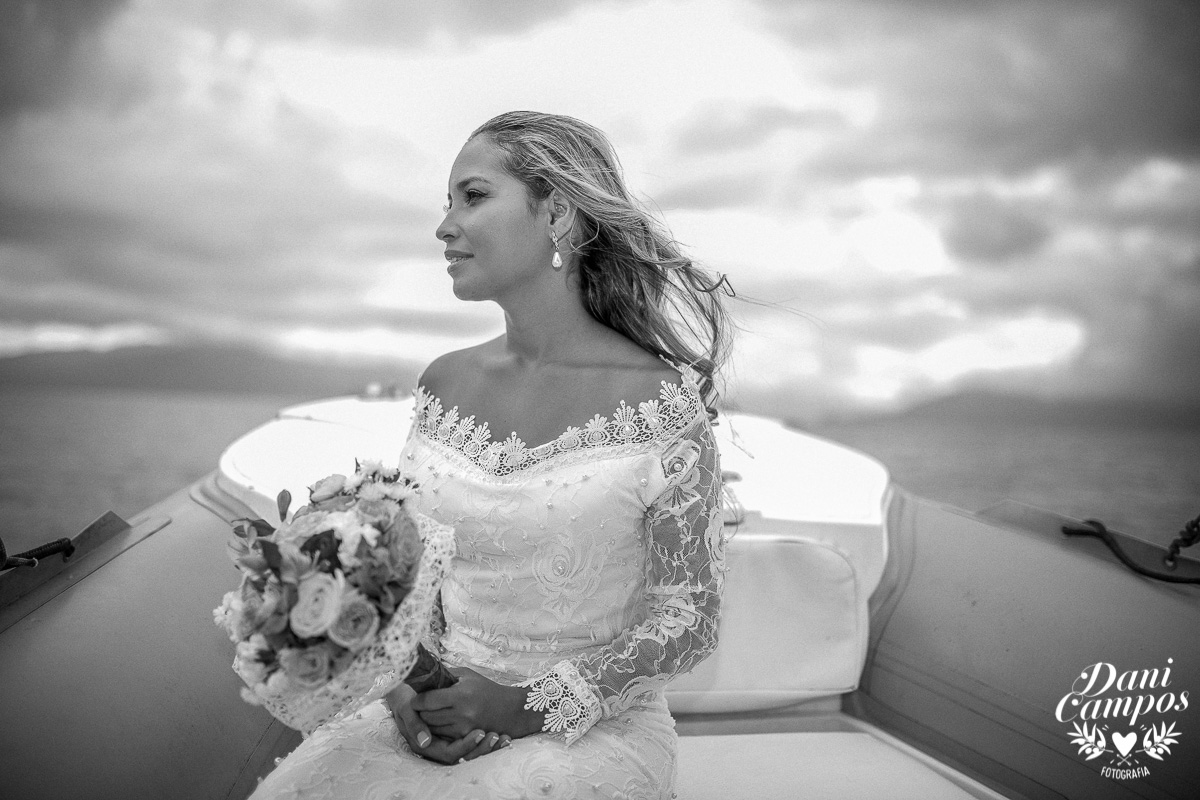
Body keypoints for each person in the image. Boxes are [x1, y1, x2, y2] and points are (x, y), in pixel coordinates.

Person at [251, 111, 733, 800]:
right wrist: (412, 698)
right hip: (434, 717)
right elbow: (416, 582)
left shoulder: (661, 405)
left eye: (472, 197)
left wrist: (526, 705)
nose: (445, 227)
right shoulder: (443, 383)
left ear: (557, 213)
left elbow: (688, 620)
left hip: (591, 733)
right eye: (446, 204)